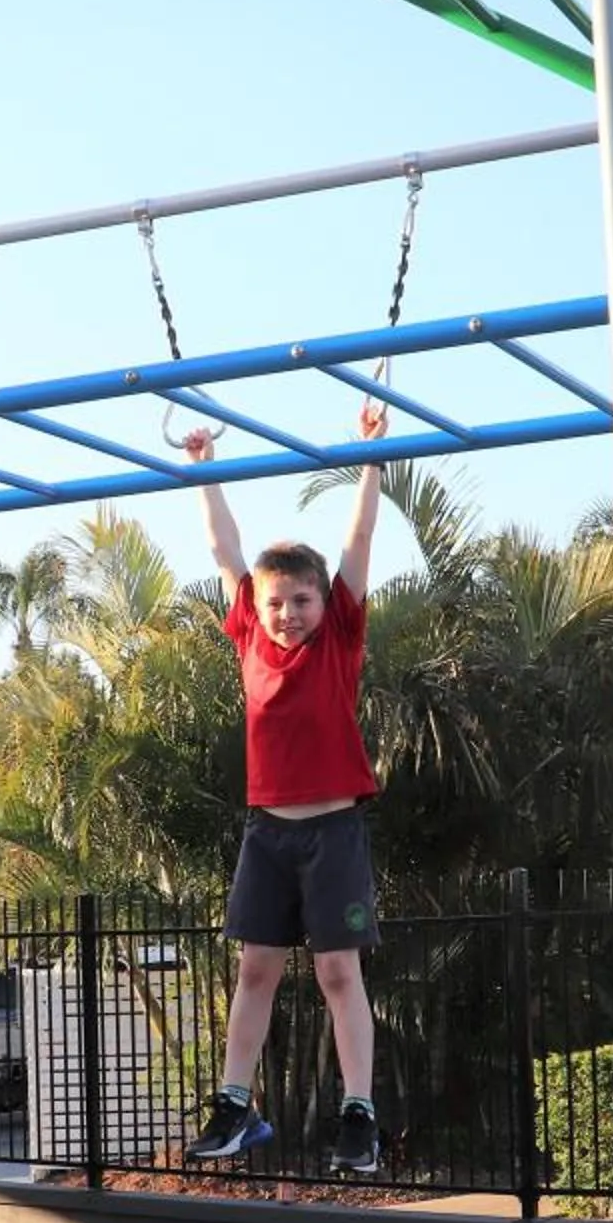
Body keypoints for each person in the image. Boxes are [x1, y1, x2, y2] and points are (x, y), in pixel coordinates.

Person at [182, 397, 389, 1175]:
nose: (288, 613)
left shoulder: (339, 633)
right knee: (255, 970)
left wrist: (369, 457)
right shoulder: (248, 631)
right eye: (276, 602)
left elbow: (358, 541)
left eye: (301, 600)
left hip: (333, 829)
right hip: (267, 832)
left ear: (322, 602)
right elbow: (223, 546)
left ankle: (359, 1113)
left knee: (338, 972)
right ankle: (236, 1106)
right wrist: (204, 471)